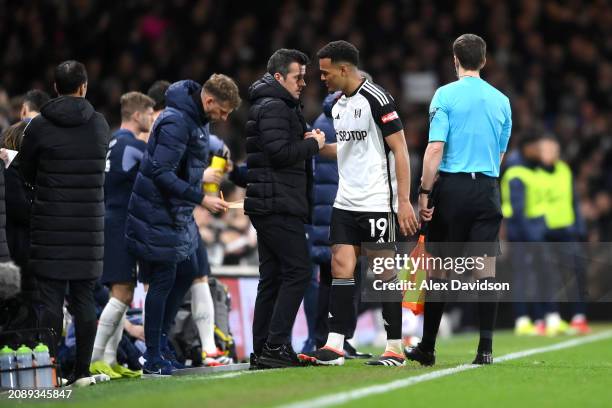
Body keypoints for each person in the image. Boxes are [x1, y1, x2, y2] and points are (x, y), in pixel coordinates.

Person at [301, 40, 419, 367]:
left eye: (325, 72)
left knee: (383, 273)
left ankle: (395, 347)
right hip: (345, 201)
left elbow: (399, 149)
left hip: (377, 202)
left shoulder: (377, 99)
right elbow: (349, 150)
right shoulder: (338, 106)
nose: (321, 78)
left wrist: (404, 201)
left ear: (343, 69)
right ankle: (335, 343)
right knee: (341, 267)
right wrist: (320, 146)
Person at [406, 34, 512, 366]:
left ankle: (428, 347)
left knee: (438, 270)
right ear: (484, 60)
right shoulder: (502, 101)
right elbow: (500, 153)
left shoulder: (444, 95)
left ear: (455, 60)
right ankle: (485, 349)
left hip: (452, 189)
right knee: (485, 270)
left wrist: (423, 193)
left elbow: (435, 148)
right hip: (487, 188)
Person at [125, 74, 240, 377]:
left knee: (188, 271)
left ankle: (160, 344)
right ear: (209, 100)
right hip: (156, 211)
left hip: (176, 212)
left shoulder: (198, 119)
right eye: (223, 110)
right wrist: (201, 198)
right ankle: (152, 354)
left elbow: (184, 167)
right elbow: (161, 173)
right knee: (163, 279)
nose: (225, 118)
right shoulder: (177, 122)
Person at [19, 60, 111, 386]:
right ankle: (82, 372)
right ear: (84, 87)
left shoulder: (40, 126)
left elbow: (24, 172)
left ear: (55, 88)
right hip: (88, 228)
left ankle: (50, 373)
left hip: (50, 227)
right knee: (84, 300)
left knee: (50, 303)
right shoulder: (100, 125)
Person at [244, 48, 325, 369]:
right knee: (298, 272)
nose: (304, 82)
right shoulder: (275, 107)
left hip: (271, 201)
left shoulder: (272, 104)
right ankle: (276, 345)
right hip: (277, 203)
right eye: (298, 77)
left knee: (273, 277)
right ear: (279, 77)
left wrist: (305, 138)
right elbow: (279, 153)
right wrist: (312, 144)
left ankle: (264, 349)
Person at [89, 91, 155, 379]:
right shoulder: (132, 145)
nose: (152, 120)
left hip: (110, 219)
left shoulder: (113, 141)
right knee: (121, 292)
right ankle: (95, 359)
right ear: (138, 115)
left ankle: (111, 359)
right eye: (150, 114)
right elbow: (157, 173)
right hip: (120, 224)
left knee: (123, 294)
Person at [538, 136, 590, 335]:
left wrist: (580, 227)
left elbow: (574, 200)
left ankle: (578, 316)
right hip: (545, 232)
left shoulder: (564, 171)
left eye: (552, 150)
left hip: (568, 231)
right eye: (546, 150)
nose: (549, 153)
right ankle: (551, 316)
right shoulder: (535, 173)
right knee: (549, 276)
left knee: (577, 272)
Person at [500, 134, 548, 336]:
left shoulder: (529, 166)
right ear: (527, 147)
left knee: (531, 275)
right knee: (523, 276)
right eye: (536, 147)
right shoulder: (517, 169)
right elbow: (518, 209)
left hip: (529, 231)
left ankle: (536, 318)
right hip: (521, 233)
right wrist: (533, 236)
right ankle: (522, 319)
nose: (539, 152)